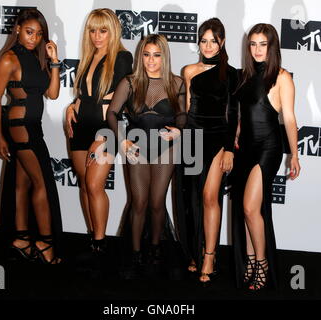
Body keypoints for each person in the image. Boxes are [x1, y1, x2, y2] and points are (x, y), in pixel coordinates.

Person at [107, 34, 186, 278]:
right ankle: (136, 252)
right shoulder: (129, 83)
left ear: (164, 57)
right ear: (141, 56)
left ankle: (155, 249)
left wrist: (179, 130)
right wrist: (122, 140)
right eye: (146, 54)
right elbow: (112, 114)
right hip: (137, 149)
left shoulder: (177, 83)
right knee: (139, 203)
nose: (151, 61)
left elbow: (183, 115)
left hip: (166, 149)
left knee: (156, 203)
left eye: (156, 55)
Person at [0, 8, 62, 264]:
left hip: (33, 126)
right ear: (18, 29)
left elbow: (52, 94)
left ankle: (21, 239)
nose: (33, 38)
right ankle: (44, 243)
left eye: (39, 34)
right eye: (29, 32)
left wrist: (54, 60)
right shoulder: (9, 59)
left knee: (22, 184)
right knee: (41, 183)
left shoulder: (37, 57)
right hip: (20, 126)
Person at [232, 23, 300, 290]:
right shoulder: (245, 76)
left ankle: (262, 263)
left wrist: (294, 154)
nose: (257, 50)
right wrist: (237, 133)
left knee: (250, 207)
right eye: (253, 44)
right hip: (245, 148)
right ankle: (250, 262)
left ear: (273, 47)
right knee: (248, 210)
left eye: (263, 44)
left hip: (268, 149)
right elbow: (243, 112)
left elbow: (290, 118)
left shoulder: (282, 77)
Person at [65, 8, 133, 254]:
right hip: (80, 127)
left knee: (94, 185)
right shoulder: (88, 56)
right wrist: (71, 107)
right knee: (84, 184)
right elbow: (85, 95)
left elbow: (121, 101)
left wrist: (105, 136)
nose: (97, 36)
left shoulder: (122, 58)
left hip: (106, 130)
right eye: (93, 30)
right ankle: (93, 237)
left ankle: (101, 243)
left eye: (103, 30)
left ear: (113, 31)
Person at [176, 18, 238, 285]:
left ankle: (210, 257)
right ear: (199, 42)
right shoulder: (189, 70)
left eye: (214, 40)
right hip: (191, 137)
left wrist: (229, 149)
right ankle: (194, 250)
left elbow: (233, 113)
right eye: (204, 40)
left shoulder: (232, 73)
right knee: (191, 199)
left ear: (222, 42)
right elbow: (187, 108)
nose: (208, 46)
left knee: (210, 196)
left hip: (217, 140)